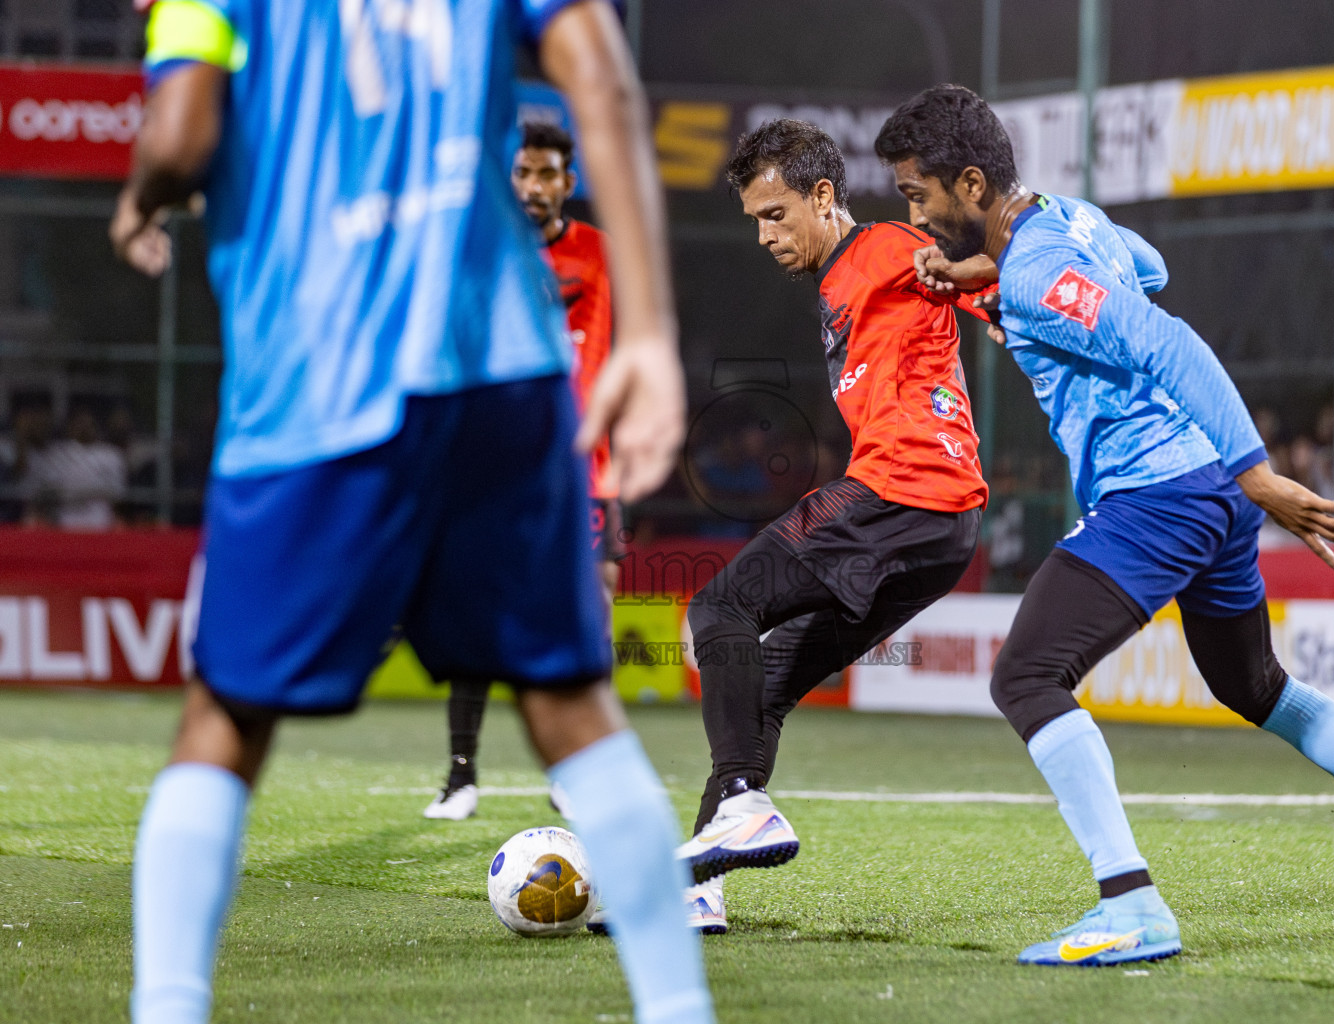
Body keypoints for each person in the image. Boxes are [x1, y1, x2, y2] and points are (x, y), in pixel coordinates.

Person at [110, 2, 713, 1023]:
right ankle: (676, 1008)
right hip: (498, 363)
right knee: (574, 708)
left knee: (226, 717)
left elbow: (180, 135)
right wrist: (650, 332)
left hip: (315, 383)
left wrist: (140, 201)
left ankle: (166, 1007)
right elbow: (601, 78)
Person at [873, 84, 1334, 967]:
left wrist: (1262, 473)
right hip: (1207, 491)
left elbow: (1168, 339)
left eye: (918, 195)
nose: (918, 216)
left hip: (1163, 493)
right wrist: (997, 274)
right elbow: (1147, 263)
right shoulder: (1066, 219)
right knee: (1255, 685)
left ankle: (1131, 905)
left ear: (971, 185)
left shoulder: (1039, 270)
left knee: (1026, 676)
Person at [673, 119, 991, 930]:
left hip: (902, 489)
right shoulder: (842, 279)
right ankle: (697, 887)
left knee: (719, 608)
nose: (762, 235)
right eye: (753, 219)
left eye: (775, 214)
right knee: (767, 686)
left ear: (823, 196)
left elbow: (991, 262)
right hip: (944, 528)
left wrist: (980, 268)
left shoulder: (886, 248)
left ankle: (743, 802)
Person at [423, 121, 625, 823]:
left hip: (585, 467)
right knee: (477, 614)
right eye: (522, 175)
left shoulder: (601, 253)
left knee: (592, 609)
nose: (533, 188)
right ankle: (460, 775)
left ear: (568, 182)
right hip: (496, 461)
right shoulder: (478, 253)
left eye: (546, 175)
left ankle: (575, 772)